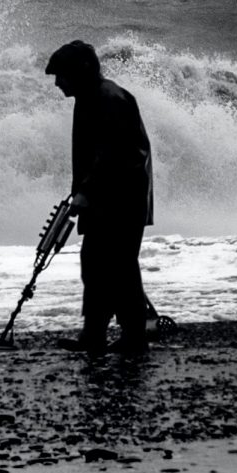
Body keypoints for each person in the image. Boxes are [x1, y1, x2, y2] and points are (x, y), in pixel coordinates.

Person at [45, 39, 155, 354]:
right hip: (109, 201)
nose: (57, 83)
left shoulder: (109, 99)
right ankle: (100, 334)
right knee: (101, 266)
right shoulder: (91, 97)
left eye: (61, 75)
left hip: (120, 202)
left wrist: (86, 191)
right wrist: (82, 191)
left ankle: (127, 337)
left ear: (81, 71)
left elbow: (113, 155)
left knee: (115, 267)